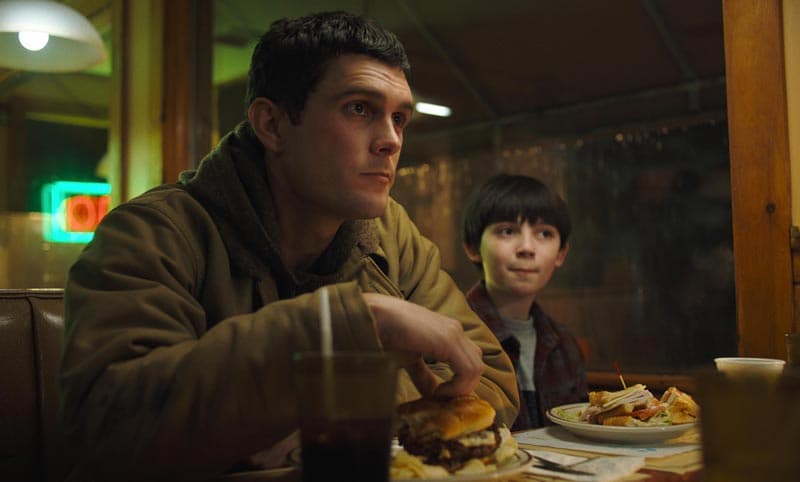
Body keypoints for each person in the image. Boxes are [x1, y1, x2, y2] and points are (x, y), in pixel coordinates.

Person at [59, 11, 518, 481]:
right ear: (273, 125)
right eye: (359, 108)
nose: (390, 140)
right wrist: (350, 324)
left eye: (399, 118)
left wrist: (323, 420)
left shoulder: (390, 232)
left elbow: (492, 381)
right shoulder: (152, 233)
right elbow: (111, 432)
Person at [461, 173, 586, 430]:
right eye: (507, 231)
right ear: (473, 247)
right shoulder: (452, 334)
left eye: (544, 234)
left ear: (561, 253)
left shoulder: (565, 345)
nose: (527, 248)